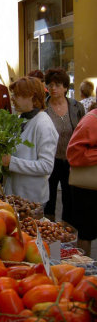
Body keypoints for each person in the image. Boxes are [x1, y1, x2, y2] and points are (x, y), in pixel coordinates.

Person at [1, 77, 58, 204]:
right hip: (15, 195)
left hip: (32, 200)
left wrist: (11, 162)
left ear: (31, 96)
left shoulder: (43, 124)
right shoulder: (21, 118)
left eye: (17, 95)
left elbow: (46, 166)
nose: (12, 99)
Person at [43, 67, 85, 224]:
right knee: (49, 198)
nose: (53, 88)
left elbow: (83, 131)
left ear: (66, 87)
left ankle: (67, 232)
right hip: (50, 159)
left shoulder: (76, 107)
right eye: (50, 85)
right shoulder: (43, 108)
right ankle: (49, 230)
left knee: (70, 198)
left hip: (71, 160)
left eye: (58, 85)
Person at [67, 104, 97, 256]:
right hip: (88, 189)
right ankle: (84, 271)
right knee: (86, 232)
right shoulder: (92, 120)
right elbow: (74, 154)